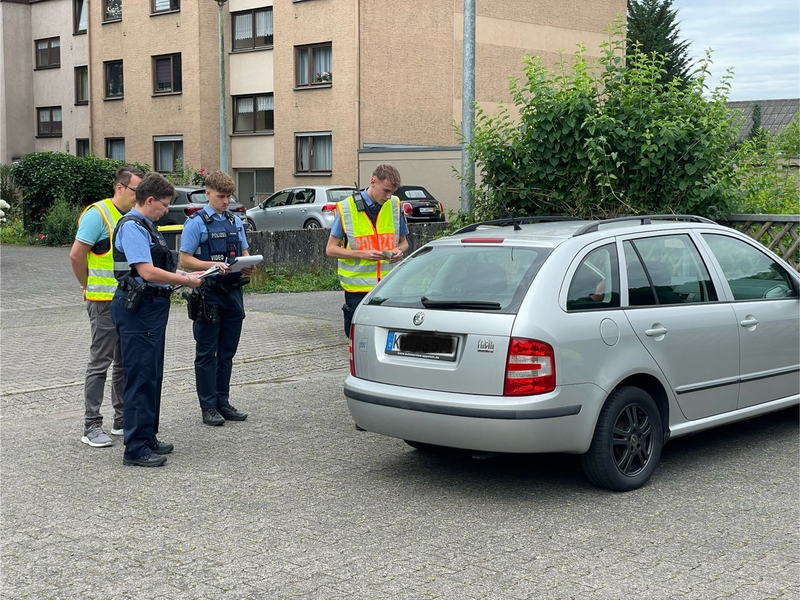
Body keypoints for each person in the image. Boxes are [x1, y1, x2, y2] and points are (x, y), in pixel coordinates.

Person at [111, 173, 203, 467]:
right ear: (149, 200)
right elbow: (147, 272)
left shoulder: (148, 226)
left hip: (150, 308)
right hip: (138, 308)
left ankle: (147, 436)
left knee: (152, 375)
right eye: (163, 205)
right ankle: (135, 448)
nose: (166, 210)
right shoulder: (134, 228)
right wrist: (186, 279)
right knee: (140, 377)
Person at [69, 166, 144, 448]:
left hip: (128, 301)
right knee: (100, 363)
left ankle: (122, 419)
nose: (140, 196)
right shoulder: (97, 215)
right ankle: (91, 425)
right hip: (103, 303)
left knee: (124, 362)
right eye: (137, 190)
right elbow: (76, 255)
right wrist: (86, 285)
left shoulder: (133, 218)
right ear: (120, 188)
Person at [179, 171, 255, 427]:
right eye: (221, 196)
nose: (226, 201)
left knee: (226, 353)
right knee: (206, 353)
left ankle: (223, 401)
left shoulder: (235, 221)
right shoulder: (196, 222)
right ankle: (208, 406)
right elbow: (185, 259)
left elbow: (243, 253)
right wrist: (214, 264)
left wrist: (246, 264)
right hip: (208, 293)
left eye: (229, 196)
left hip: (233, 292)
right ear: (207, 193)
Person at [325, 163, 409, 336]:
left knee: (386, 336)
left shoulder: (395, 205)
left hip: (387, 287)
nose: (388, 196)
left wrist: (399, 251)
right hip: (358, 290)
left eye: (392, 192)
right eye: (385, 190)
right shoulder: (346, 208)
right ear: (373, 181)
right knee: (357, 338)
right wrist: (363, 254)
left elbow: (404, 243)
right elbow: (331, 249)